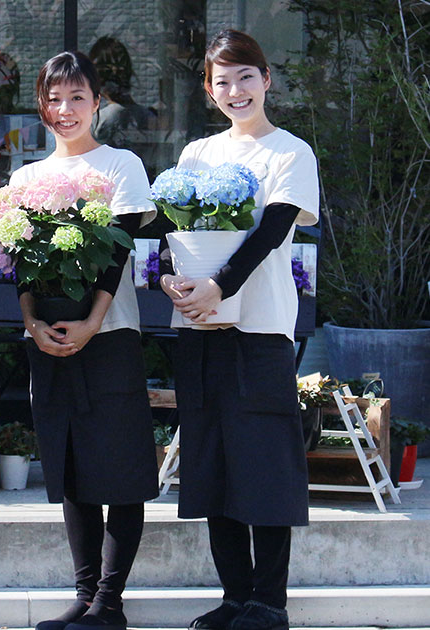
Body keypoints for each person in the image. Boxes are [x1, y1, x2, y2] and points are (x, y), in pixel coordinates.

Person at [158, 29, 319, 630]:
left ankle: (268, 604)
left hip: (260, 332)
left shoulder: (290, 153)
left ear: (266, 78)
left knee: (267, 466)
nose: (235, 90)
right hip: (200, 329)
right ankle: (234, 598)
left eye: (245, 76)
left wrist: (220, 285)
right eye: (221, 81)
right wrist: (175, 280)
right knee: (212, 464)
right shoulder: (197, 155)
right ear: (208, 90)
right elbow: (179, 238)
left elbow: (272, 231)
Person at [12, 51, 159, 630]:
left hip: (111, 335)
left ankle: (111, 603)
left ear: (97, 101)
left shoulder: (121, 164)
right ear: (41, 106)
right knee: (71, 466)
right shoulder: (25, 177)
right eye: (54, 98)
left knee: (118, 468)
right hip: (47, 338)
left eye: (77, 97)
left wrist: (93, 321)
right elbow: (21, 264)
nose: (65, 109)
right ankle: (84, 594)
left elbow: (118, 250)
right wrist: (30, 323)